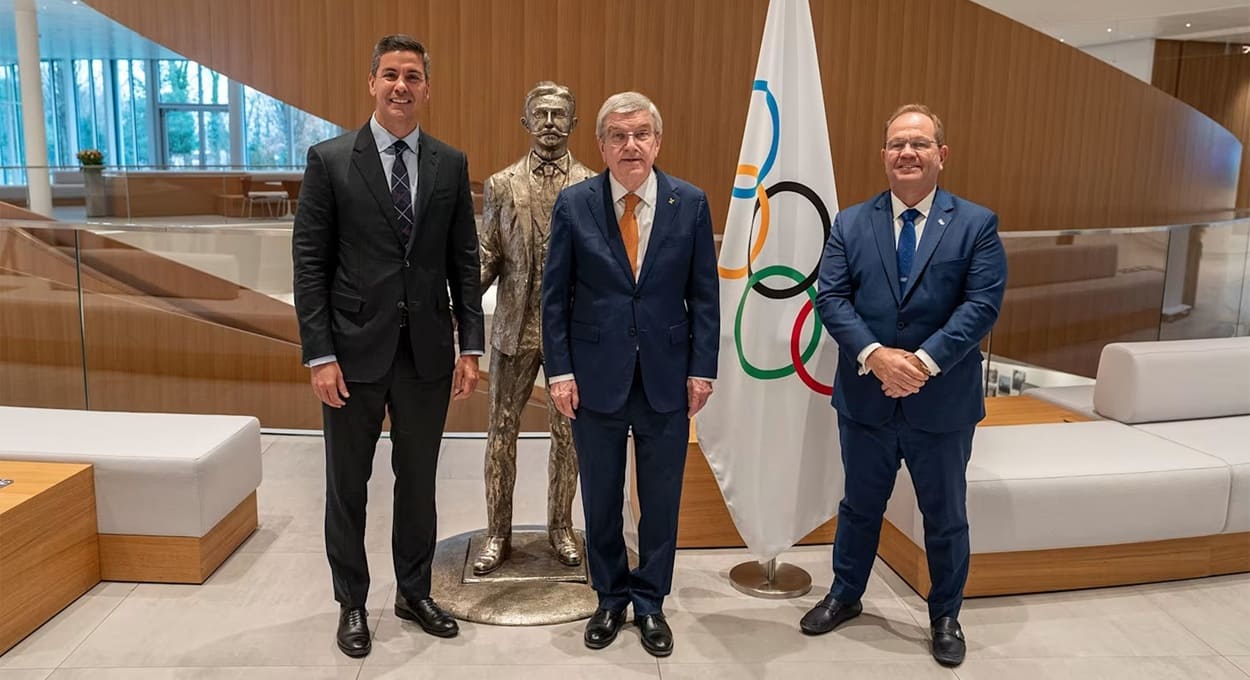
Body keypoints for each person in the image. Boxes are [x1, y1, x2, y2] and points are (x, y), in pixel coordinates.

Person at [292, 34, 484, 659]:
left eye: (413, 76)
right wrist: (319, 354)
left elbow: (464, 262)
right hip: (350, 355)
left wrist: (471, 346)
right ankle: (351, 602)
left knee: (418, 480)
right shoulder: (329, 161)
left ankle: (414, 590)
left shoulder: (449, 164)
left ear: (427, 88)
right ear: (371, 82)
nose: (401, 86)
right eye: (391, 75)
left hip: (427, 352)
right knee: (347, 484)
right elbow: (310, 265)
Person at [801, 104, 1007, 668]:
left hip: (940, 402)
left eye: (918, 143)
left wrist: (919, 363)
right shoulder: (849, 223)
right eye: (896, 144)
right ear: (884, 156)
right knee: (859, 506)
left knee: (944, 514)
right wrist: (876, 356)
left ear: (942, 154)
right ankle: (846, 595)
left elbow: (982, 304)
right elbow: (832, 299)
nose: (907, 153)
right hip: (867, 397)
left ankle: (945, 614)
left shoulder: (976, 223)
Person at [541, 91, 719, 658]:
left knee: (662, 496)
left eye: (641, 134)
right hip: (594, 377)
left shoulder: (689, 203)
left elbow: (705, 295)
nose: (631, 145)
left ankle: (650, 601)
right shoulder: (574, 204)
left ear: (658, 142)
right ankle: (611, 596)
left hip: (667, 375)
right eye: (618, 136)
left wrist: (703, 369)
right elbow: (555, 298)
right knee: (599, 491)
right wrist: (560, 370)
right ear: (601, 146)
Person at [474, 81, 597, 575]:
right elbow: (487, 256)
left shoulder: (593, 185)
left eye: (559, 114)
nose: (549, 122)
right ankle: (496, 534)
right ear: (525, 122)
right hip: (514, 328)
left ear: (573, 123)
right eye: (540, 114)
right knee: (500, 433)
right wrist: (443, 300)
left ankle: (561, 529)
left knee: (568, 435)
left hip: (572, 335)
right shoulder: (502, 184)